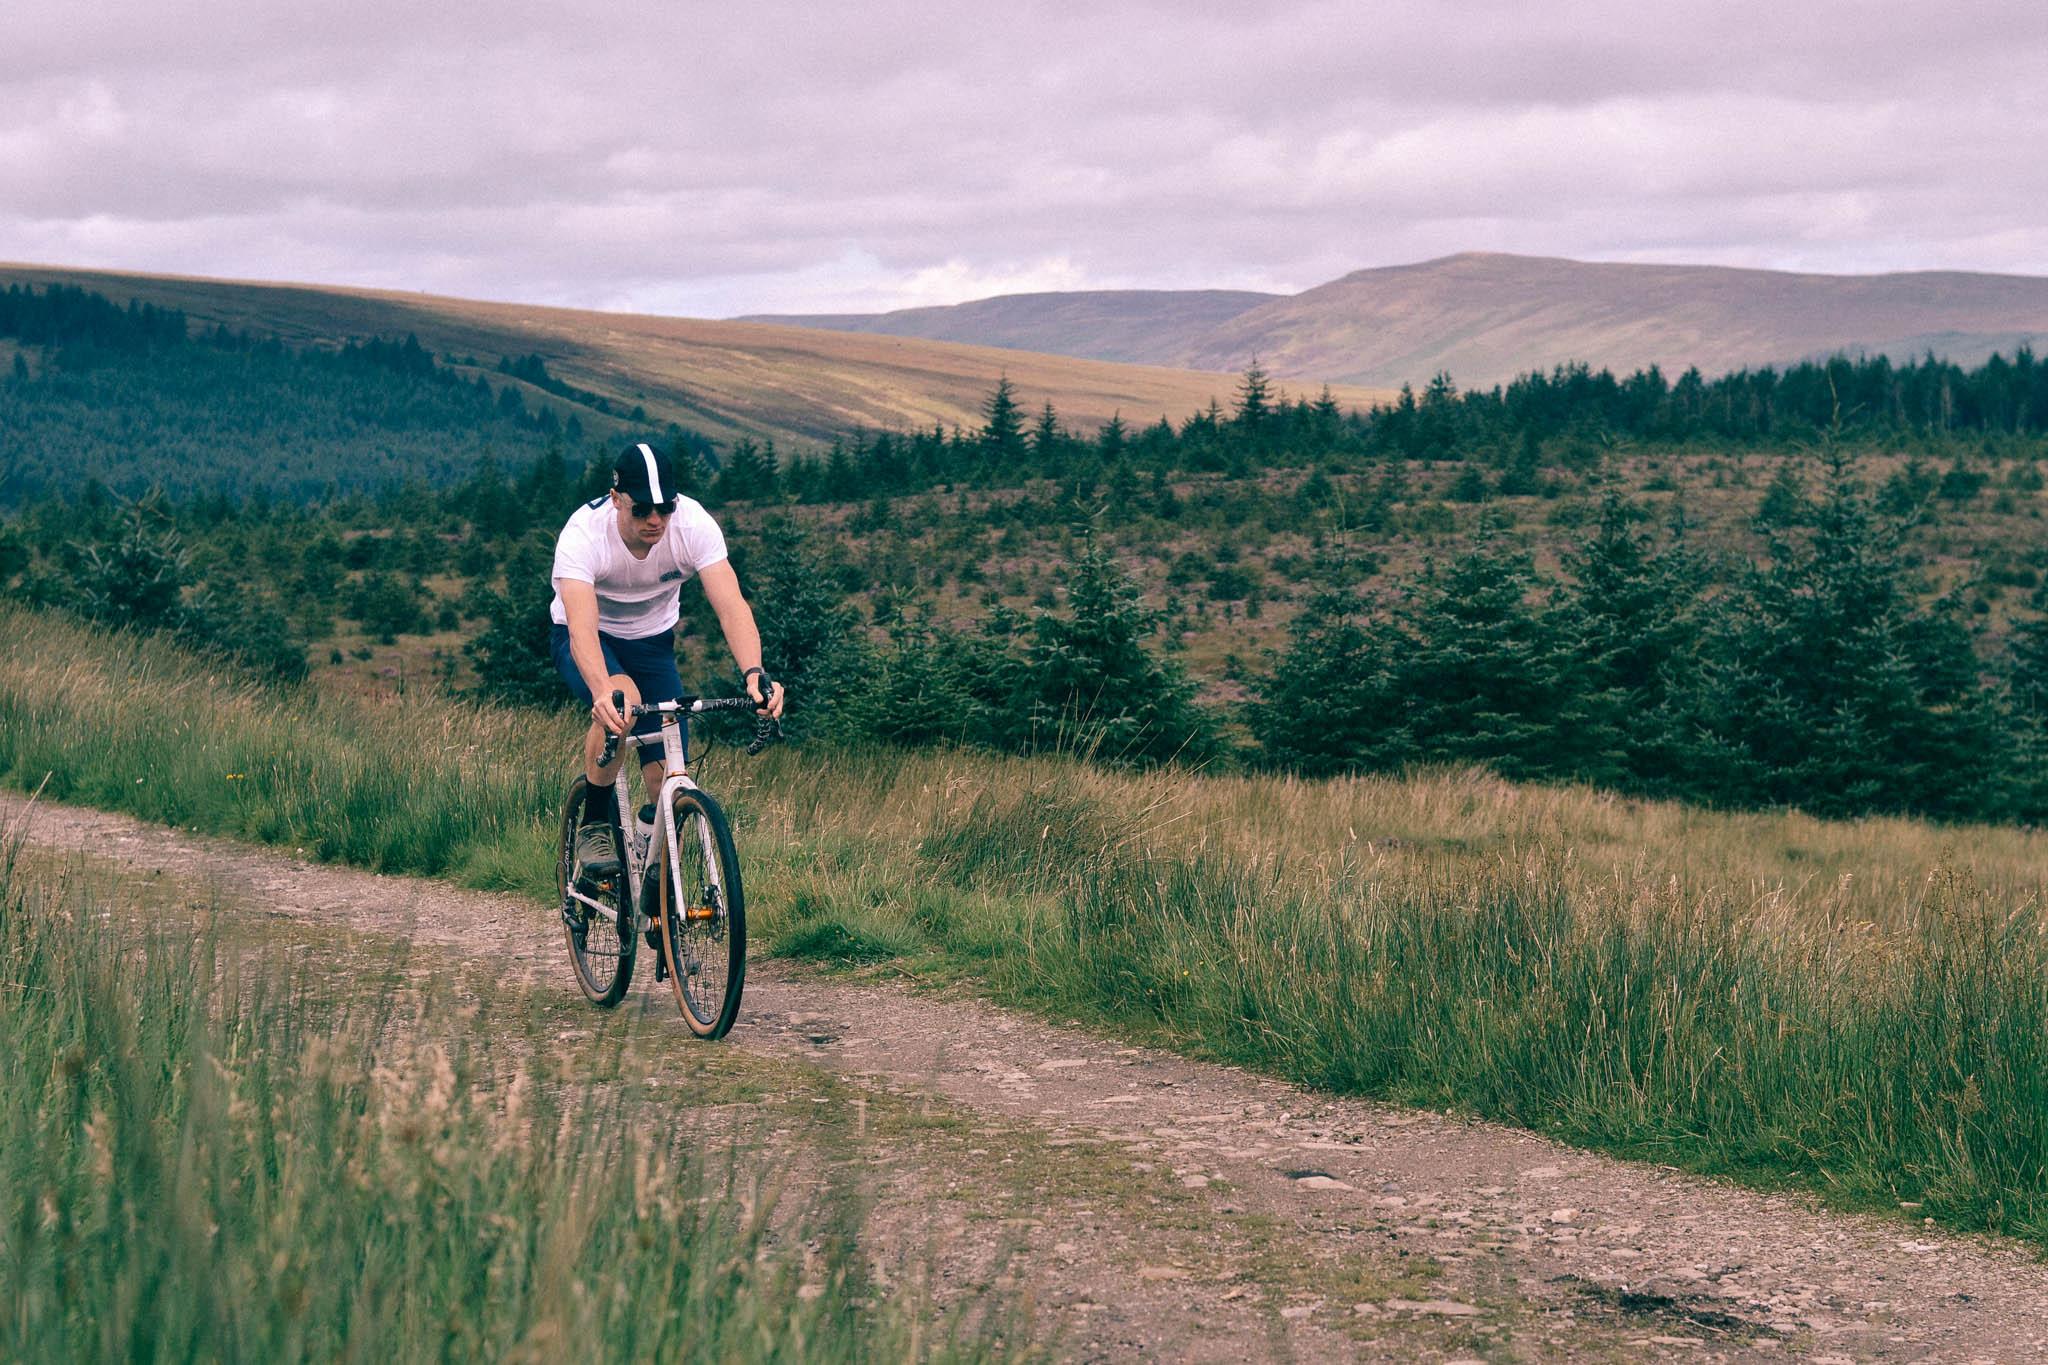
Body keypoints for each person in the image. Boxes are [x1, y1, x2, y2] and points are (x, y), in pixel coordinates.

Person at [551, 441, 785, 880]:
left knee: (666, 777)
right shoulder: (583, 534)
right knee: (622, 702)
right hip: (588, 637)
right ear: (616, 499)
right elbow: (581, 628)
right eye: (642, 509)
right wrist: (602, 690)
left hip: (653, 642)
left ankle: (653, 876)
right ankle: (595, 823)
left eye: (665, 508)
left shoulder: (693, 525)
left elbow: (731, 606)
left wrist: (754, 672)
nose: (655, 520)